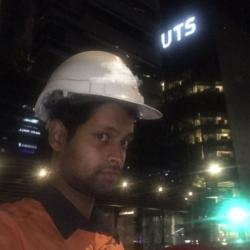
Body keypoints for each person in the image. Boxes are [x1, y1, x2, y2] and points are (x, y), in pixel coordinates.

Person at [0, 51, 162, 249]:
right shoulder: (10, 232)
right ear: (58, 136)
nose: (118, 156)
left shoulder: (109, 240)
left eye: (124, 142)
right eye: (102, 136)